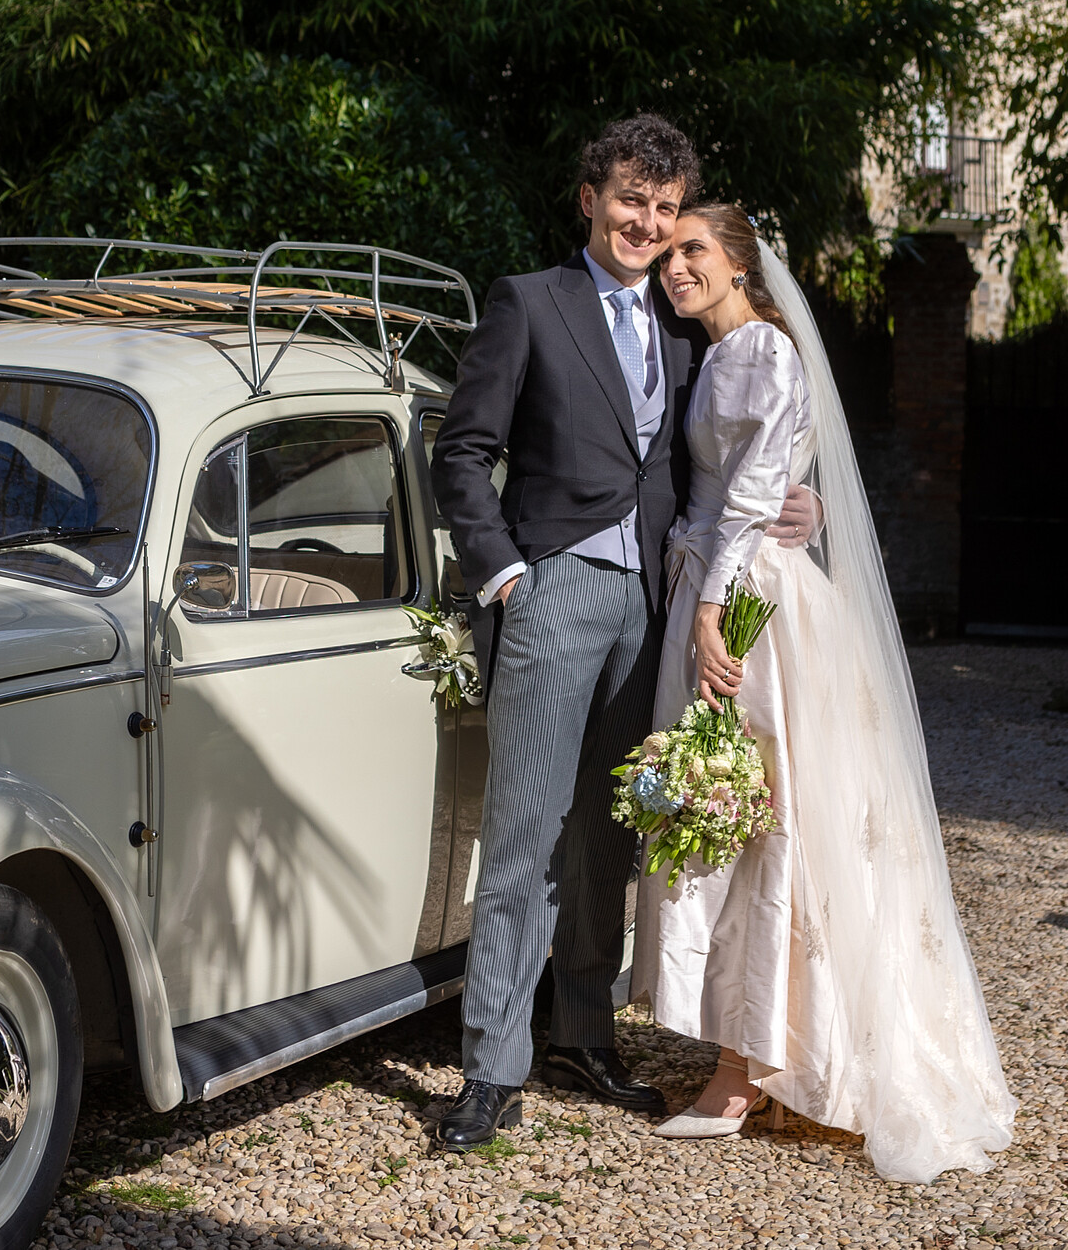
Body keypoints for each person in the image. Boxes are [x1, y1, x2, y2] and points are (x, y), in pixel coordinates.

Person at [427, 114, 819, 1151]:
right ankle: (490, 1068)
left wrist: (796, 507)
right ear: (588, 200)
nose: (644, 222)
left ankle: (582, 1038)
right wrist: (506, 573)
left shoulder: (690, 329)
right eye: (627, 201)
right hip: (552, 592)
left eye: (661, 206)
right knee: (520, 834)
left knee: (606, 838)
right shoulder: (529, 303)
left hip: (655, 605)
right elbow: (460, 450)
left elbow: (734, 464)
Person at [633, 204, 1015, 1182]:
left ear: (737, 266)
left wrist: (714, 621)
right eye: (668, 253)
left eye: (693, 253)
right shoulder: (719, 353)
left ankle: (738, 1072)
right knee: (744, 814)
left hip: (753, 603)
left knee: (765, 816)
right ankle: (752, 1051)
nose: (675, 267)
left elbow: (757, 504)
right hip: (727, 587)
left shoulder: (758, 352)